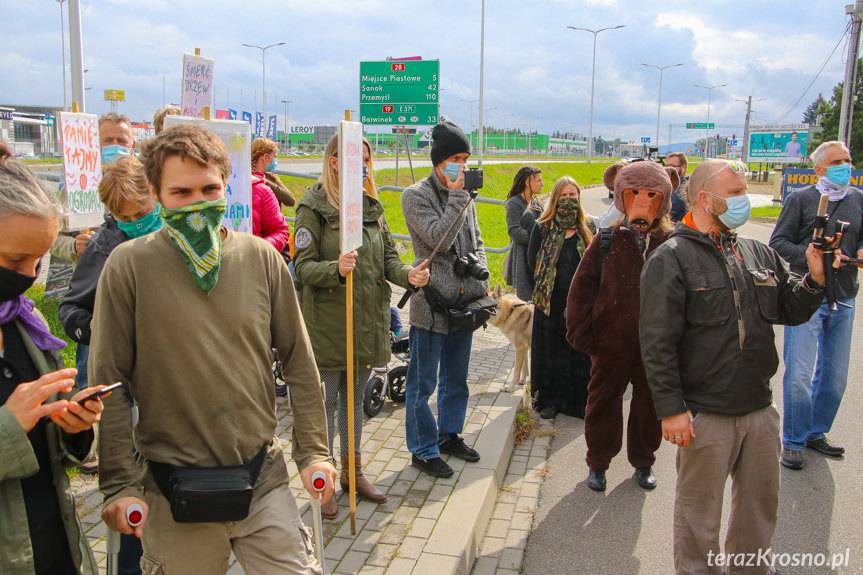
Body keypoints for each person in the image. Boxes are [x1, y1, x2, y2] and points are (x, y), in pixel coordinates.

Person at [93, 124, 335, 574]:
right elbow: (109, 381)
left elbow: (299, 361)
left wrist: (314, 451)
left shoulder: (261, 259)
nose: (198, 203)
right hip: (173, 488)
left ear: (227, 185)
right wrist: (120, 484)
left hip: (262, 478)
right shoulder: (129, 266)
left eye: (209, 189)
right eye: (181, 192)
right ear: (156, 192)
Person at [640, 159, 826, 575]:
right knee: (697, 521)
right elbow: (657, 342)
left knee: (758, 514)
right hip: (707, 416)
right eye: (737, 192)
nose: (745, 199)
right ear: (706, 198)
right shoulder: (671, 258)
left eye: (745, 190)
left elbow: (790, 309)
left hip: (759, 411)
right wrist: (671, 409)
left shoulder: (756, 251)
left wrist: (814, 279)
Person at [294, 134, 429, 516]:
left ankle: (354, 472)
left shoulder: (371, 206)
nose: (365, 165)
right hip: (328, 323)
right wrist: (334, 269)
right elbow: (301, 267)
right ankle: (323, 480)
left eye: (367, 158)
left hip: (366, 320)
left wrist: (409, 276)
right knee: (329, 402)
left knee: (354, 404)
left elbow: (388, 258)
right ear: (334, 161)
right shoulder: (313, 207)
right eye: (357, 158)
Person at [0, 157, 109, 575]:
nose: (28, 277)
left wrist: (73, 428)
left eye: (39, 262)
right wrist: (10, 424)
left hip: (51, 548)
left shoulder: (24, 322)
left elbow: (51, 451)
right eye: (14, 263)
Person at [567, 161, 677, 492]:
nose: (642, 202)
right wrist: (584, 335)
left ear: (663, 200)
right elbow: (581, 290)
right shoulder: (606, 241)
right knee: (602, 401)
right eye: (634, 194)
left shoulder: (671, 244)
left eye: (651, 194)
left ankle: (644, 461)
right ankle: (598, 462)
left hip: (655, 347)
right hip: (611, 343)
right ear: (621, 197)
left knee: (649, 405)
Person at [401, 121, 489, 478]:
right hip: (432, 305)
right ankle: (423, 449)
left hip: (464, 303)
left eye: (465, 158)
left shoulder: (465, 194)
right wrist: (456, 197)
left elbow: (476, 239)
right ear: (438, 160)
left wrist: (479, 267)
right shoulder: (416, 196)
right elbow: (442, 238)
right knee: (423, 385)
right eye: (455, 157)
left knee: (458, 378)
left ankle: (449, 433)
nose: (461, 166)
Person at [769, 140, 863, 470]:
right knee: (799, 373)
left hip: (845, 295)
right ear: (819, 169)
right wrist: (814, 259)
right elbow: (778, 243)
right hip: (806, 294)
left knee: (834, 376)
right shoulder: (800, 199)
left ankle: (815, 431)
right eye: (838, 161)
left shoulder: (857, 199)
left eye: (848, 160)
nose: (846, 166)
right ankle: (793, 440)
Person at [526, 176, 593, 420]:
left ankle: (575, 401)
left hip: (579, 303)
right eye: (563, 197)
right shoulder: (542, 227)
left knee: (576, 352)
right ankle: (549, 401)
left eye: (572, 196)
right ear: (555, 199)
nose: (568, 201)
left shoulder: (588, 227)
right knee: (550, 352)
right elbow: (531, 261)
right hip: (549, 302)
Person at [504, 167, 542, 300]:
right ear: (527, 182)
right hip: (521, 257)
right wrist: (536, 239)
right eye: (538, 181)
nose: (541, 183)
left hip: (537, 256)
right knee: (525, 299)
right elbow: (514, 231)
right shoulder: (513, 203)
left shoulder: (536, 202)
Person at [250, 138, 290, 253]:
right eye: (274, 156)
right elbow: (281, 230)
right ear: (266, 157)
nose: (275, 161)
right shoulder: (262, 188)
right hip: (262, 252)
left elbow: (290, 199)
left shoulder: (269, 178)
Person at [666, 152, 689, 223]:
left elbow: (666, 212)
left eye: (672, 166)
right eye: (667, 165)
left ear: (683, 168)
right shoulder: (668, 184)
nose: (668, 169)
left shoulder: (683, 189)